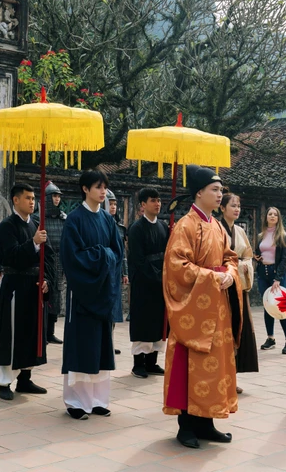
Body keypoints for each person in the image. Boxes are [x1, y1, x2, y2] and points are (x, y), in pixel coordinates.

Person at [163, 166, 242, 449]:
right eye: (215, 190)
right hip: (194, 310)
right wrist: (213, 277)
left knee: (215, 366)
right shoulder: (185, 225)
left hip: (217, 307)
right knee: (190, 365)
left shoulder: (217, 226)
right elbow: (177, 267)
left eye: (221, 190)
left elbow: (231, 257)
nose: (220, 195)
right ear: (199, 193)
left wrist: (230, 274)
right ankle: (186, 425)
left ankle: (206, 422)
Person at [60, 170, 124, 419]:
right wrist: (102, 255)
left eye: (104, 187)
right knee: (81, 346)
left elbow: (117, 254)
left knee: (101, 347)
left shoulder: (108, 221)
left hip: (102, 291)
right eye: (98, 187)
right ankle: (76, 402)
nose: (103, 192)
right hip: (84, 292)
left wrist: (104, 258)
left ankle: (98, 399)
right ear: (85, 189)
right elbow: (72, 257)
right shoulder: (74, 220)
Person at [0, 183, 55, 401]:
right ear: (16, 200)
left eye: (33, 198)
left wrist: (46, 279)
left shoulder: (36, 225)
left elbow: (48, 257)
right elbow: (11, 257)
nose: (32, 202)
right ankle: (3, 380)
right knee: (10, 332)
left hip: (34, 286)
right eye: (27, 197)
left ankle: (25, 378)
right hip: (14, 286)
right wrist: (33, 243)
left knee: (31, 332)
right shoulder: (6, 227)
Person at [218, 193, 259, 392]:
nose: (236, 209)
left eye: (238, 206)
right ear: (222, 208)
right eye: (232, 205)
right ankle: (220, 377)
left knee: (238, 329)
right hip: (223, 285)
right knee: (223, 330)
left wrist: (243, 266)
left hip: (239, 286)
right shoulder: (216, 229)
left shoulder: (240, 231)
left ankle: (232, 378)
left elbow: (248, 256)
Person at [127, 187, 169, 379]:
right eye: (153, 200)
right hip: (144, 282)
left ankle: (153, 361)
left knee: (158, 321)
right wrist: (156, 276)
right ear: (143, 205)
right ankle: (139, 363)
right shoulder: (136, 229)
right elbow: (138, 259)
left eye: (159, 200)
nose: (157, 203)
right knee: (143, 321)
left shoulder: (163, 227)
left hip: (161, 281)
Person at [256, 207, 286, 353]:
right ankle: (270, 338)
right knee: (267, 306)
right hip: (262, 273)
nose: (272, 216)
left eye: (275, 215)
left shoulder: (283, 236)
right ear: (266, 217)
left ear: (278, 218)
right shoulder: (261, 235)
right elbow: (259, 252)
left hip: (276, 274)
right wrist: (256, 257)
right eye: (270, 214)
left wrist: (278, 278)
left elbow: (284, 259)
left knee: (281, 306)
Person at [44, 181, 66, 344]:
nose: (57, 199)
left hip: (59, 262)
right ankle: (41, 332)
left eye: (58, 196)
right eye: (54, 196)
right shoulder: (38, 219)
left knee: (56, 297)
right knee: (43, 297)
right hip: (44, 261)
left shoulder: (64, 219)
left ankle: (50, 332)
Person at [107, 189, 127, 355]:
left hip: (116, 272)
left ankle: (110, 342)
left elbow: (123, 253)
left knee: (113, 310)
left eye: (114, 204)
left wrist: (124, 272)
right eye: (110, 203)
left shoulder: (120, 228)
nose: (113, 207)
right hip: (103, 272)